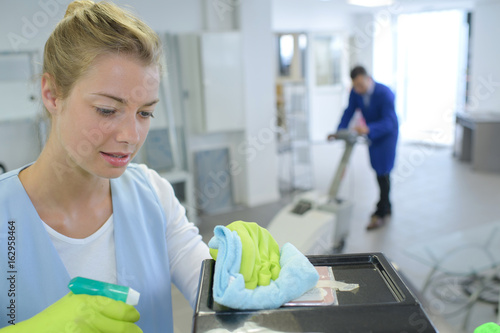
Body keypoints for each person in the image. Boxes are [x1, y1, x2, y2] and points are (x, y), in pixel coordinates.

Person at [0, 1, 211, 332]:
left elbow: (214, 293)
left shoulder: (153, 196)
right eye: (107, 110)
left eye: (145, 113)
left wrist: (247, 276)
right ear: (52, 93)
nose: (130, 136)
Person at [328, 66, 398, 230]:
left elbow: (390, 121)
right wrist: (339, 131)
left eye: (360, 84)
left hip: (386, 135)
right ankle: (387, 206)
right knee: (378, 171)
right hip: (372, 136)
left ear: (369, 78)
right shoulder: (356, 92)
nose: (358, 89)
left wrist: (369, 129)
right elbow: (349, 111)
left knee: (383, 172)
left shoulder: (385, 93)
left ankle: (380, 211)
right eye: (355, 85)